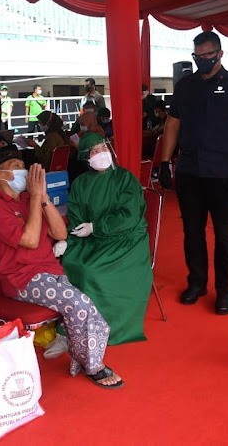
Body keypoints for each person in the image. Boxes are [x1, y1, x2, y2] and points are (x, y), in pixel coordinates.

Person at [0, 145, 124, 389]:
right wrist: (36, 198)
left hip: (49, 272)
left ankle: (78, 352)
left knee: (85, 297)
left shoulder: (29, 199)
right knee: (80, 304)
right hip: (21, 280)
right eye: (16, 167)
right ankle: (93, 365)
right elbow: (30, 240)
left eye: (23, 166)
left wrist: (43, 198)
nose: (24, 172)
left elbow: (60, 233)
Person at [159, 31, 228, 314]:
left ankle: (226, 291)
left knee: (226, 237)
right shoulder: (185, 86)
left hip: (225, 173)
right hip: (190, 171)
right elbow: (173, 125)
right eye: (197, 56)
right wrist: (165, 162)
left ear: (219, 54)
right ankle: (197, 282)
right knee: (192, 233)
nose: (202, 60)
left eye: (207, 55)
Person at [62, 132, 153, 345]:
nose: (101, 154)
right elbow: (76, 218)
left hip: (126, 240)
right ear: (86, 157)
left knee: (91, 271)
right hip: (93, 240)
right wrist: (67, 240)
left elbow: (129, 217)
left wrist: (96, 226)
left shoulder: (124, 178)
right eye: (94, 151)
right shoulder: (80, 184)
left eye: (103, 148)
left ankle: (100, 328)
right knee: (70, 261)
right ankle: (75, 326)